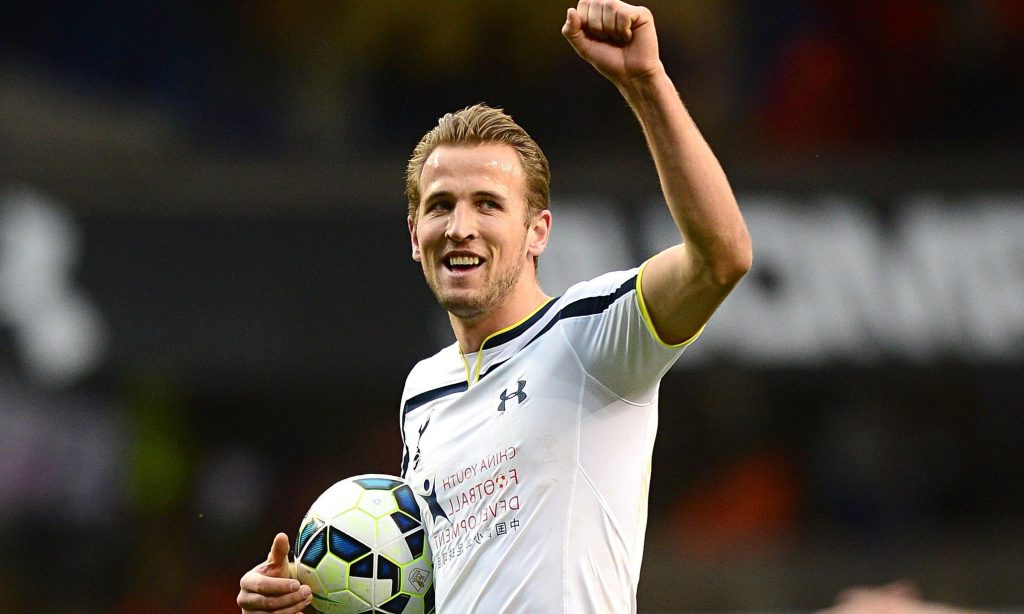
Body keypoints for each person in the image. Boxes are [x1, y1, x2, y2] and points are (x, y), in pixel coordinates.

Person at [237, 1, 751, 612]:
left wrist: (647, 83)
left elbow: (722, 258)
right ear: (414, 235)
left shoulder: (590, 336)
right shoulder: (423, 391)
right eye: (440, 205)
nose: (460, 227)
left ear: (537, 232)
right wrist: (307, 601)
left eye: (487, 203)